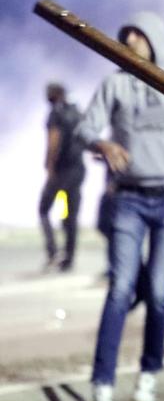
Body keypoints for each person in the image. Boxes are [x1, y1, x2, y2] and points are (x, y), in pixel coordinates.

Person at [75, 12, 164, 401]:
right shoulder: (115, 83)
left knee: (158, 292)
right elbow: (85, 129)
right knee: (120, 289)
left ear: (155, 38)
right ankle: (102, 382)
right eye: (126, 34)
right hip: (129, 201)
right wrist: (103, 145)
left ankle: (149, 373)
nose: (131, 39)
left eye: (138, 33)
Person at [39, 83, 85, 272]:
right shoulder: (77, 112)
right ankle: (69, 257)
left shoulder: (55, 114)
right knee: (70, 215)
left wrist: (49, 166)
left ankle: (53, 251)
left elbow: (53, 140)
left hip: (61, 170)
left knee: (43, 209)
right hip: (78, 169)